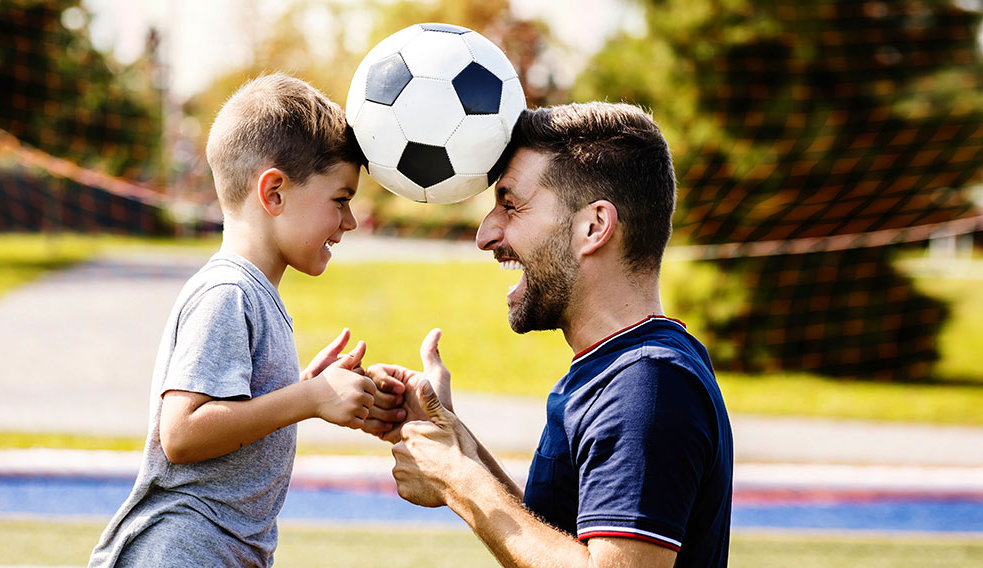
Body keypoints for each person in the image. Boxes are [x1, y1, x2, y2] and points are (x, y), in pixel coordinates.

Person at [374, 102, 733, 568]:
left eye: (511, 204)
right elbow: (562, 542)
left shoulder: (646, 386)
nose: (486, 234)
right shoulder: (619, 368)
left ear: (594, 226)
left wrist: (457, 482)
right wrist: (458, 442)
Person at [88, 73, 405, 567]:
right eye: (340, 201)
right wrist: (308, 398)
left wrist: (309, 390)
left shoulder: (254, 294)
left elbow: (235, 415)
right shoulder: (228, 293)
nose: (350, 222)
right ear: (274, 192)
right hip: (180, 552)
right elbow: (183, 433)